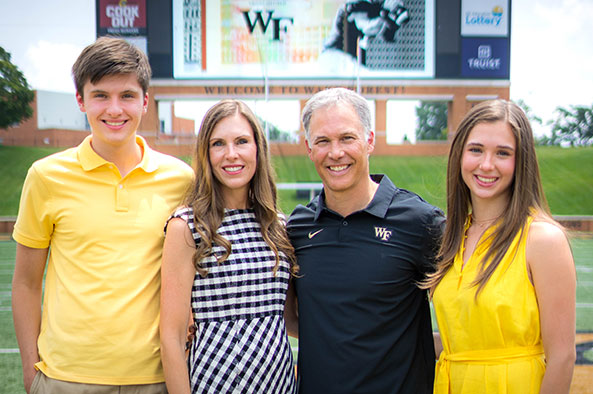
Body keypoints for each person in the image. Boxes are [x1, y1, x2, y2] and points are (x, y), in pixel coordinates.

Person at [11, 37, 193, 393]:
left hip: (156, 378)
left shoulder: (181, 179)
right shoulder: (46, 176)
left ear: (144, 101)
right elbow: (27, 283)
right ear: (81, 100)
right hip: (66, 379)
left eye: (126, 95)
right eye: (100, 96)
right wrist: (31, 371)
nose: (114, 109)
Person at [285, 87, 445, 393]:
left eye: (347, 138)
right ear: (308, 148)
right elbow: (292, 317)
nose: (335, 152)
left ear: (369, 140)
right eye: (323, 141)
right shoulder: (297, 228)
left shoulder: (420, 222)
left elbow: (465, 305)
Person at [423, 100, 576, 393]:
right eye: (476, 149)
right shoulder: (451, 237)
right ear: (459, 155)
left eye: (503, 153)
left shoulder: (542, 239)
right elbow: (467, 338)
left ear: (521, 161)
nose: (486, 164)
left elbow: (562, 357)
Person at [160, 100, 297, 394]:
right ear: (206, 154)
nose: (231, 154)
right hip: (215, 382)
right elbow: (171, 337)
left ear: (257, 149)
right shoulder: (186, 227)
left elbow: (290, 320)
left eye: (242, 141)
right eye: (218, 143)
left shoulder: (278, 226)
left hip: (279, 383)